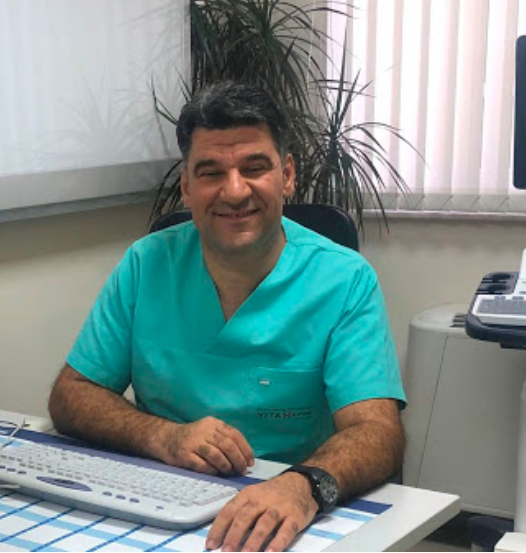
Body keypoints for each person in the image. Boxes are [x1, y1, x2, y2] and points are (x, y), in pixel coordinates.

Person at [48, 81, 406, 552]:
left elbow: (377, 432)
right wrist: (163, 436)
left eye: (254, 168)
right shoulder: (146, 263)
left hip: (289, 511)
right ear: (187, 187)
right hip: (162, 496)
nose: (234, 191)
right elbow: (71, 394)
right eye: (211, 172)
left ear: (287, 175)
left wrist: (304, 485)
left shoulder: (344, 280)